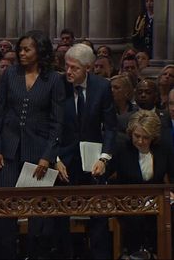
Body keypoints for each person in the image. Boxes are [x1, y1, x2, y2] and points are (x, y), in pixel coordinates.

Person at [0, 30, 65, 259]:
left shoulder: (53, 79)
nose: (21, 53)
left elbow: (57, 122)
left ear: (39, 52)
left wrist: (47, 155)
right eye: (20, 49)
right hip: (9, 151)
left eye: (26, 49)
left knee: (37, 214)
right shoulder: (10, 74)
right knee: (5, 210)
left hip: (38, 152)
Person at [55, 43, 117, 259]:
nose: (69, 72)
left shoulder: (101, 87)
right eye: (67, 66)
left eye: (74, 68)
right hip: (63, 160)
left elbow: (110, 127)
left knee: (98, 214)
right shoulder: (58, 85)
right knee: (60, 216)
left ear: (88, 68)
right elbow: (47, 126)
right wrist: (54, 158)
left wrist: (104, 158)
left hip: (93, 160)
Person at [106, 110, 174, 255]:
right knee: (136, 218)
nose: (140, 141)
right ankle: (134, 253)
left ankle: (160, 253)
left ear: (153, 137)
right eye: (137, 136)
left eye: (146, 137)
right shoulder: (122, 148)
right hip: (127, 200)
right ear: (131, 133)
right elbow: (105, 175)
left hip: (156, 201)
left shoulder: (164, 148)